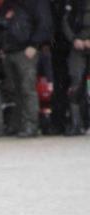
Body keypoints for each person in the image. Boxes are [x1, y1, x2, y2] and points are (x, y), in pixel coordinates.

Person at [0, 0, 52, 137]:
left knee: (27, 89)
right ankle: (17, 124)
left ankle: (31, 125)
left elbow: (44, 23)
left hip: (26, 51)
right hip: (9, 51)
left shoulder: (36, 3)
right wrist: (1, 46)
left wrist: (34, 45)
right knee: (13, 90)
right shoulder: (8, 4)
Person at [62, 0, 90, 135]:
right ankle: (76, 124)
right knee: (76, 84)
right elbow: (65, 22)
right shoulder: (72, 2)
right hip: (77, 48)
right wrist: (74, 39)